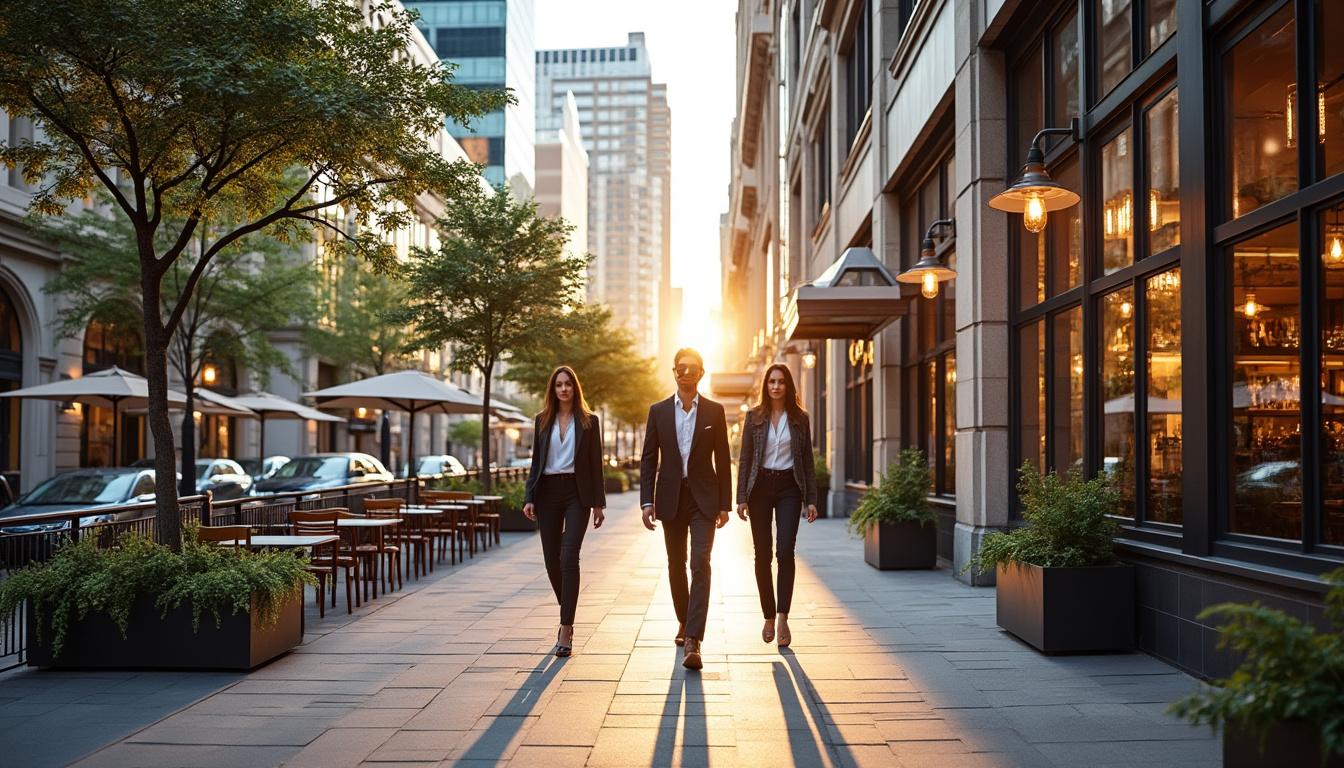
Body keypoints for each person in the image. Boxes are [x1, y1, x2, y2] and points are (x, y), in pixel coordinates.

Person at [640, 348, 731, 670]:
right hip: (670, 498)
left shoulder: (714, 412)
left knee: (700, 561)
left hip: (704, 499)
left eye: (693, 368)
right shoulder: (659, 411)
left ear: (701, 373)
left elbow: (723, 458)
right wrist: (647, 501)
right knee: (675, 564)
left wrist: (725, 504)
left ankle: (694, 638)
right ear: (674, 372)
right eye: (681, 368)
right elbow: (649, 457)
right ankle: (683, 619)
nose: (687, 372)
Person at [523, 365, 606, 657]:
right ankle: (568, 608)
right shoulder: (542, 421)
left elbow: (596, 465)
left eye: (568, 384)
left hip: (577, 494)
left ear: (575, 388)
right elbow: (536, 463)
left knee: (569, 557)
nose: (563, 389)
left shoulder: (589, 422)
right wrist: (528, 496)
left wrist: (599, 503)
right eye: (558, 385)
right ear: (553, 389)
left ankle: (566, 629)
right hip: (547, 493)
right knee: (551, 562)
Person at [735, 363, 818, 648]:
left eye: (781, 381)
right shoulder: (754, 417)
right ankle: (768, 614)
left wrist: (812, 500)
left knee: (785, 551)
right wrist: (741, 497)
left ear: (788, 385)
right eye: (771, 381)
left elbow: (807, 461)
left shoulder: (800, 419)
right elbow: (745, 459)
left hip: (788, 488)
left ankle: (783, 616)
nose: (776, 386)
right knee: (762, 555)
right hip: (759, 488)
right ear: (765, 385)